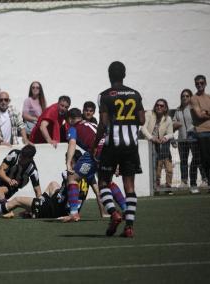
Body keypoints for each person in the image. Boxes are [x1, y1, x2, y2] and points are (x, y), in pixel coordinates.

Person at [93, 61, 145, 238]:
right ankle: (129, 226)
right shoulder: (135, 94)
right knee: (129, 187)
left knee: (103, 183)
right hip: (131, 146)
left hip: (112, 145)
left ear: (109, 75)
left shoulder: (104, 96)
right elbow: (142, 120)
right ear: (124, 75)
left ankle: (114, 213)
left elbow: (103, 124)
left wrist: (94, 145)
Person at [57, 108, 107, 222]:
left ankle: (74, 213)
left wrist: (68, 163)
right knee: (106, 182)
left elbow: (72, 143)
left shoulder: (73, 128)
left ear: (70, 119)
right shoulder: (92, 123)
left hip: (95, 153)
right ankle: (125, 211)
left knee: (72, 177)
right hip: (109, 149)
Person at [141, 99, 174, 194]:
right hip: (146, 144)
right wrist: (152, 138)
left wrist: (166, 137)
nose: (159, 107)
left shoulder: (168, 119)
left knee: (158, 165)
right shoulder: (149, 114)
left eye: (162, 106)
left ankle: (158, 186)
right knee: (152, 165)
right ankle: (153, 186)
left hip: (159, 144)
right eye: (157, 105)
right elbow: (143, 128)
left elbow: (171, 133)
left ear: (165, 108)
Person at [173, 89, 202, 194]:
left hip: (193, 138)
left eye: (187, 96)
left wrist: (194, 130)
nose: (184, 98)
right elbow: (173, 123)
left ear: (190, 97)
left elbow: (199, 121)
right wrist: (176, 124)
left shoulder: (194, 108)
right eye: (183, 96)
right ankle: (184, 182)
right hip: (182, 139)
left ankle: (204, 180)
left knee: (197, 160)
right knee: (183, 161)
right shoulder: (178, 110)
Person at [190, 75, 210, 192]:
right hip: (202, 132)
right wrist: (204, 113)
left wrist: (205, 112)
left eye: (201, 83)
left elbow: (203, 114)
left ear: (205, 83)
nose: (199, 85)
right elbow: (199, 115)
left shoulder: (208, 97)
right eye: (197, 83)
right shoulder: (194, 98)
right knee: (205, 160)